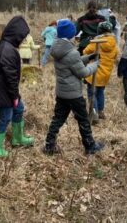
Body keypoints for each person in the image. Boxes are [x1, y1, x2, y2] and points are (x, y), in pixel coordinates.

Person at [43, 19, 104, 155]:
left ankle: (49, 145)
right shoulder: (71, 52)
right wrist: (95, 65)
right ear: (71, 35)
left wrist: (89, 57)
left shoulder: (57, 48)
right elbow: (82, 72)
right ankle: (90, 146)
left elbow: (72, 62)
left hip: (62, 93)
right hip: (74, 95)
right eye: (74, 34)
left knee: (58, 118)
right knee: (83, 119)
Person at [0, 16, 34, 157]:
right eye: (22, 36)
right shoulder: (7, 49)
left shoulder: (7, 45)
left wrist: (15, 96)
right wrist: (14, 96)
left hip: (6, 90)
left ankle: (17, 138)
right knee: (5, 117)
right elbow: (10, 77)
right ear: (16, 33)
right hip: (2, 91)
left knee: (19, 109)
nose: (23, 39)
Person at [83, 21, 119, 122]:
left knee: (92, 93)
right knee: (100, 92)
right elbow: (116, 56)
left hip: (95, 72)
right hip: (106, 73)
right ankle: (101, 112)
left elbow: (85, 52)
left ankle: (94, 114)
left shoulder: (97, 42)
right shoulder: (113, 43)